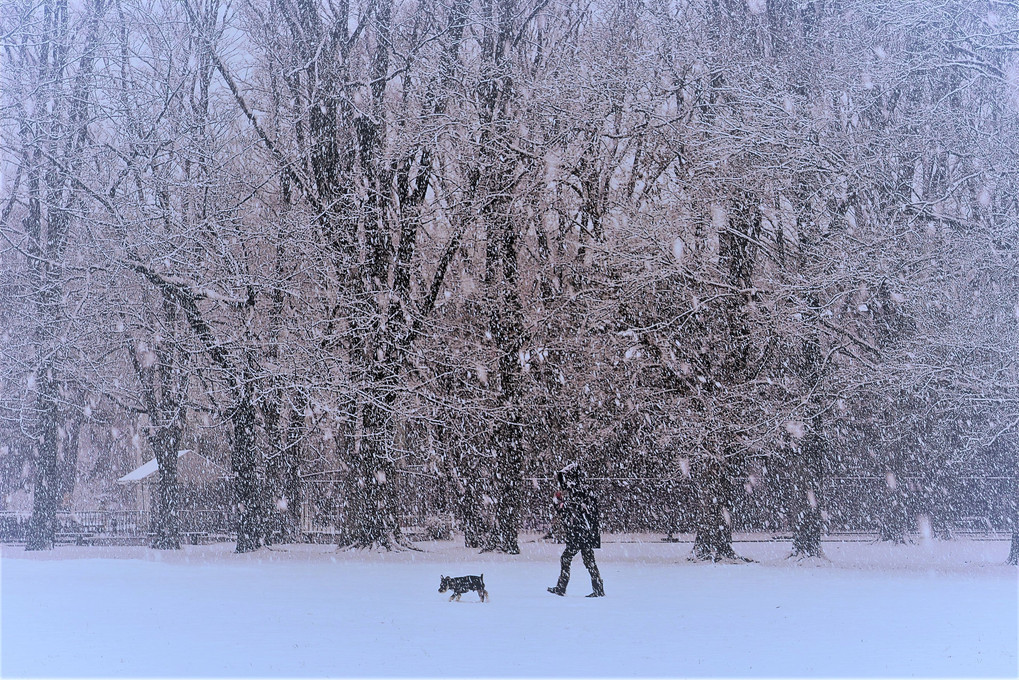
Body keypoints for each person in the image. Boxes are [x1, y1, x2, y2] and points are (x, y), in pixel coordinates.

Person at [547, 464, 605, 597]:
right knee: (588, 561)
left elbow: (571, 510)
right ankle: (598, 588)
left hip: (580, 532)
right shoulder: (582, 490)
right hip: (584, 532)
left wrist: (560, 504)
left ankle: (562, 587)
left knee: (567, 558)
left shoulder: (578, 491)